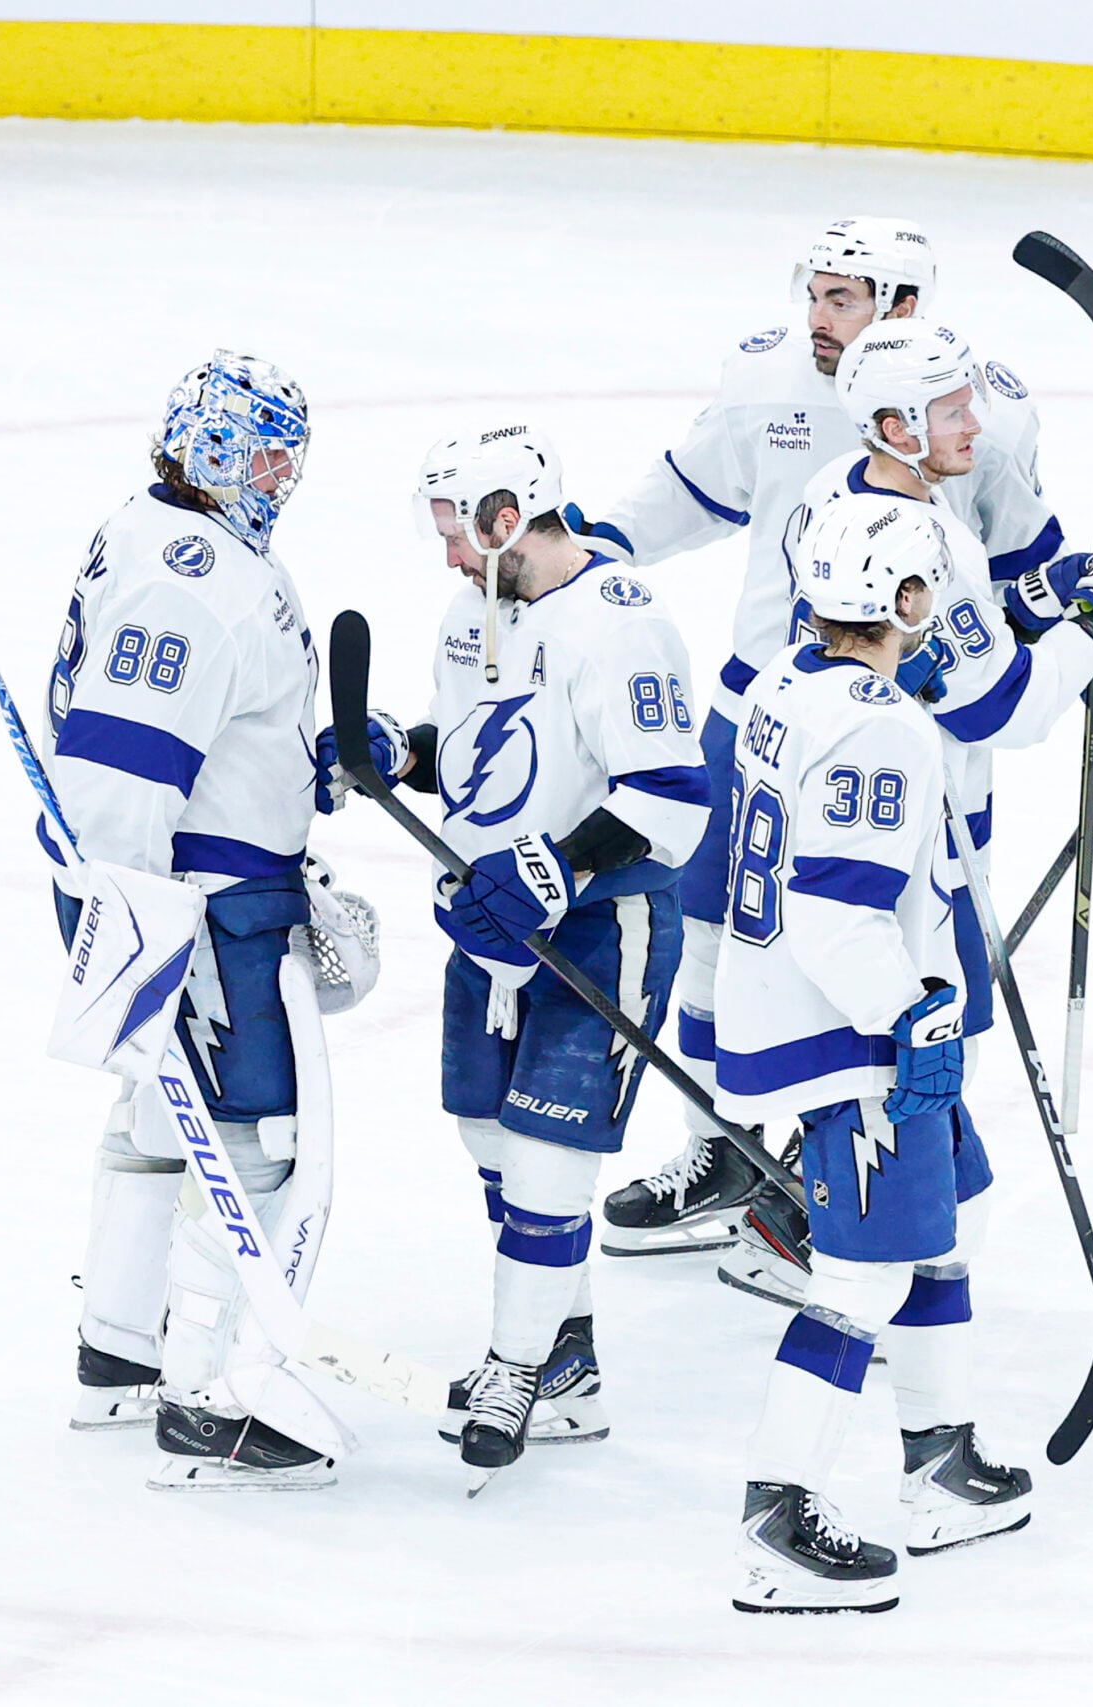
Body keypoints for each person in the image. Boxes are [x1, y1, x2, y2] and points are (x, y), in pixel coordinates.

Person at [582, 218, 1075, 1258]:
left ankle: (857, 1194)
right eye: (814, 291)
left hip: (905, 731)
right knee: (721, 950)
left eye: (843, 297)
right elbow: (687, 485)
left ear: (903, 305)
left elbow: (1028, 567)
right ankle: (728, 1152)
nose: (815, 316)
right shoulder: (769, 385)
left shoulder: (965, 413)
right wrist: (598, 543)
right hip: (760, 710)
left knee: (887, 957)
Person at [716, 318, 1093, 1305]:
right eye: (949, 408)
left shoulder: (840, 501)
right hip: (906, 837)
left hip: (848, 808)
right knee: (912, 1060)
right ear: (893, 423)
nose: (974, 424)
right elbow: (998, 705)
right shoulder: (926, 535)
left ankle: (821, 1223)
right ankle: (853, 1258)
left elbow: (961, 637)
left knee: (886, 1060)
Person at [320, 424, 708, 1492]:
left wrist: (564, 870)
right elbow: (482, 760)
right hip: (489, 928)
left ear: (505, 518)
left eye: (456, 530)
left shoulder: (621, 624)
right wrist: (397, 752)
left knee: (548, 1166)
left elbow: (669, 796)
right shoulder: (473, 611)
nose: (444, 552)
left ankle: (515, 1366)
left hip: (600, 927)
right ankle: (565, 1364)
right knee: (489, 1138)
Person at [714, 494, 1037, 1614]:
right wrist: (914, 1023)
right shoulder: (882, 729)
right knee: (860, 1277)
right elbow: (837, 915)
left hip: (790, 1007)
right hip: (842, 1031)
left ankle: (940, 1461)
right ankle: (776, 1522)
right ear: (903, 598)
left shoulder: (786, 681)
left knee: (958, 1220)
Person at [50, 351, 361, 1487]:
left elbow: (198, 730)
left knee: (150, 1120)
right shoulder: (197, 578)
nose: (288, 472)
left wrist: (289, 763)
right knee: (254, 1140)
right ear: (220, 450)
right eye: (270, 448)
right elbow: (116, 783)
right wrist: (143, 946)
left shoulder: (162, 537)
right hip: (199, 909)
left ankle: (120, 1355)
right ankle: (210, 1393)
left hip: (185, 892)